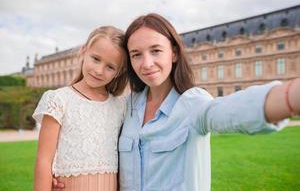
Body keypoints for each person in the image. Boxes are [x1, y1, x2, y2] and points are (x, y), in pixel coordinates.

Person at [53, 13, 300, 191]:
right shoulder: (126, 108)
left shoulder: (193, 105)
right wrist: (63, 178)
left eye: (156, 50)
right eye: (136, 55)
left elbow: (233, 110)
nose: (146, 63)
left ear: (174, 52)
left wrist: (290, 97)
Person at [33, 26, 128, 191]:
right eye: (96, 59)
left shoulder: (120, 107)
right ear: (83, 52)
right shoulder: (58, 100)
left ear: (119, 72)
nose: (99, 70)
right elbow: (43, 161)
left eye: (110, 67)